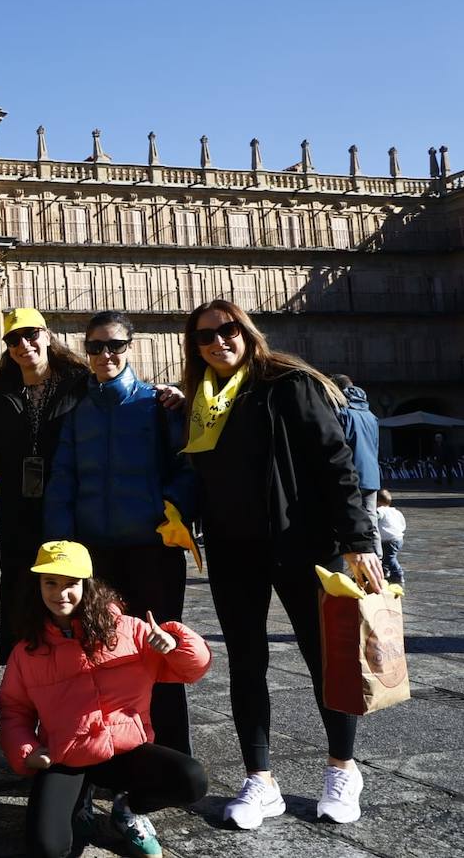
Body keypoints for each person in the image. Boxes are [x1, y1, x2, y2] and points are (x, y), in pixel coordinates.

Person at [180, 299, 379, 828]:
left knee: (324, 660)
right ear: (193, 347)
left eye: (227, 330)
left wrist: (359, 539)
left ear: (246, 332)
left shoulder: (289, 383)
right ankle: (260, 780)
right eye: (204, 336)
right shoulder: (198, 404)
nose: (218, 341)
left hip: (304, 545)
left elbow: (337, 462)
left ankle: (343, 768)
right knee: (246, 664)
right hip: (233, 551)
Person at [42, 310, 197, 754]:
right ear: (85, 351)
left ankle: (171, 752)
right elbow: (63, 479)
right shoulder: (77, 413)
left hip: (153, 548)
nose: (105, 354)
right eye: (95, 347)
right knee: (102, 650)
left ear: (131, 347)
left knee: (160, 647)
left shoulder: (157, 404)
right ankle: (113, 746)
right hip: (96, 554)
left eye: (115, 345)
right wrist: (61, 548)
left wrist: (171, 509)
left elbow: (186, 466)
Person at [0, 541, 210, 858]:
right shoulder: (27, 650)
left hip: (125, 752)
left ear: (87, 584)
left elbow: (194, 670)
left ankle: (129, 808)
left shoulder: (129, 631)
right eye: (50, 582)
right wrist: (26, 751)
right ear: (38, 585)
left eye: (71, 583)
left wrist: (175, 644)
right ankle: (81, 796)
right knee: (47, 848)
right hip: (67, 756)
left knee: (191, 780)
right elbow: (13, 710)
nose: (61, 593)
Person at [0, 308, 89, 664]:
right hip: (16, 513)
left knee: (68, 589)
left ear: (47, 335)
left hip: (69, 507)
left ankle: (76, 667)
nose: (24, 345)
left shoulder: (81, 383)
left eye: (30, 335)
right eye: (13, 340)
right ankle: (21, 674)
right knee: (21, 594)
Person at [333, 374, 382, 558]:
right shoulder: (371, 415)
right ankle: (378, 560)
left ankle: (354, 565)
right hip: (371, 474)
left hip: (350, 473)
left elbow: (338, 447)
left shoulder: (342, 413)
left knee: (347, 519)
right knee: (371, 519)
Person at [376, 489, 406, 586]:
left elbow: (374, 518)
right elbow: (403, 524)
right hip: (398, 538)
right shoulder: (396, 511)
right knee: (386, 557)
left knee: (389, 558)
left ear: (377, 502)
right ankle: (384, 572)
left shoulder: (380, 511)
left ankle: (398, 574)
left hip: (389, 540)